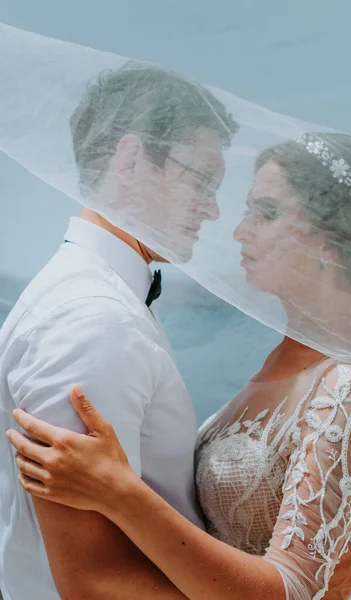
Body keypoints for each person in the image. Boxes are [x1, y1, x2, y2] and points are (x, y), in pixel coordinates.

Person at [7, 132, 351, 600]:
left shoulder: (347, 385)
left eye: (266, 213)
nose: (238, 230)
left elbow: (294, 589)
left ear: (332, 242)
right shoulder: (273, 366)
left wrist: (118, 490)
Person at [0, 61, 237, 600]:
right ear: (130, 159)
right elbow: (94, 582)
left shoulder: (105, 299)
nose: (214, 208)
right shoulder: (93, 320)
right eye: (201, 179)